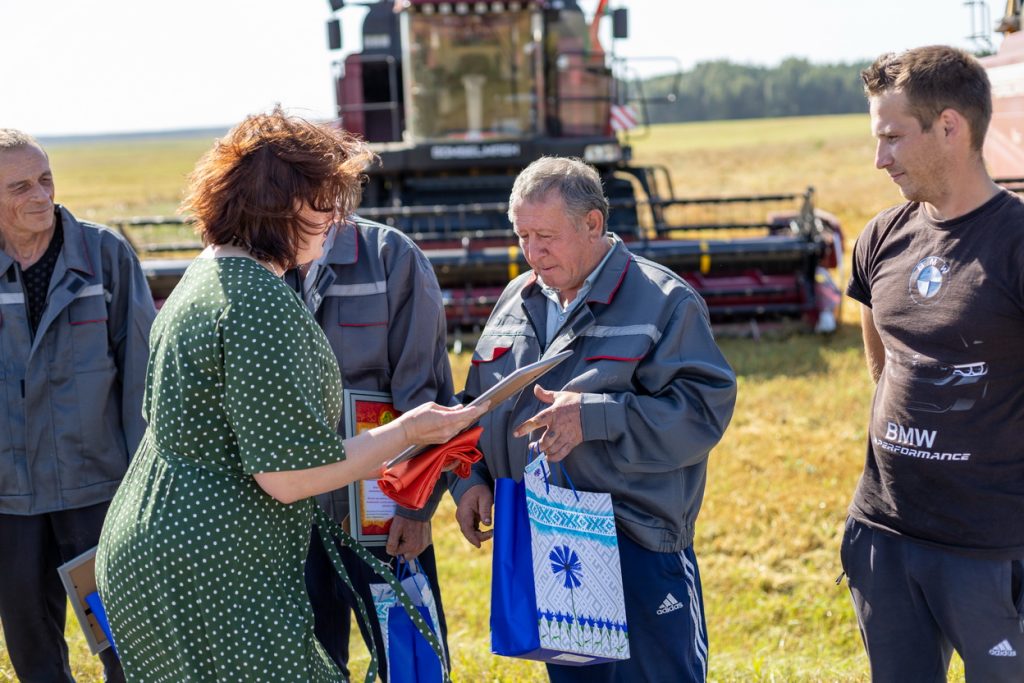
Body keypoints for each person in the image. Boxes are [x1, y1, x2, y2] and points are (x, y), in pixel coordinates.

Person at [94, 109, 485, 682]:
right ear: (277, 206)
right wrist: (408, 431)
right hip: (216, 564)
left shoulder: (205, 276)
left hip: (161, 548)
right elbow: (291, 476)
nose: (335, 220)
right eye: (324, 204)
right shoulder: (259, 301)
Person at [452, 156, 737, 683]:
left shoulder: (664, 302)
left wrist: (596, 419)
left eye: (546, 236)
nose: (532, 253)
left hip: (636, 544)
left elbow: (704, 410)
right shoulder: (517, 298)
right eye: (522, 237)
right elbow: (476, 402)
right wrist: (470, 479)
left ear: (593, 225)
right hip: (550, 542)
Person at [842, 45, 1024, 682]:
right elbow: (881, 354)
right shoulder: (881, 237)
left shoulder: (1016, 244)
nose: (879, 157)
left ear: (950, 127)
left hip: (991, 550)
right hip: (885, 534)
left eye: (893, 137)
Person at [0, 129, 154, 683]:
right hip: (9, 500)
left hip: (99, 492)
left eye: (45, 179)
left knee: (127, 644)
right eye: (20, 186)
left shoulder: (104, 256)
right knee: (31, 647)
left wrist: (144, 490)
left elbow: (143, 379)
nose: (40, 195)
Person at [299, 215, 455, 680]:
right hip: (289, 510)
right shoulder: (261, 260)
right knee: (307, 664)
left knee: (409, 662)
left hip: (380, 509)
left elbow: (424, 396)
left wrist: (416, 507)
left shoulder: (391, 256)